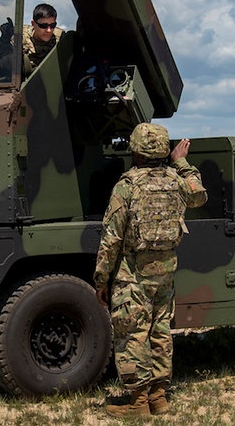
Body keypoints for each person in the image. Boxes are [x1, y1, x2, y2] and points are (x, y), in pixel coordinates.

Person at [93, 123, 207, 417]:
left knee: (133, 334)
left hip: (133, 274)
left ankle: (139, 403)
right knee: (160, 332)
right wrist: (181, 162)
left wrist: (101, 279)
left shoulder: (127, 186)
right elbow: (199, 195)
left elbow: (112, 237)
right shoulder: (176, 181)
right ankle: (159, 398)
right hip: (166, 274)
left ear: (136, 151)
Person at [0, 2, 62, 78]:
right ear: (33, 23)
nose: (49, 30)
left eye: (52, 25)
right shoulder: (19, 37)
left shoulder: (60, 38)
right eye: (43, 26)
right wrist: (3, 43)